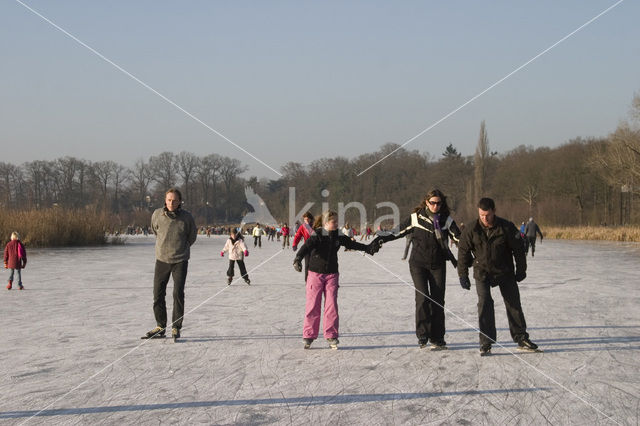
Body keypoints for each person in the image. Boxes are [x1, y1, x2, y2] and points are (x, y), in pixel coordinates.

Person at [375, 189, 461, 350]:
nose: (436, 206)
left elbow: (459, 238)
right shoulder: (416, 218)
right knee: (422, 298)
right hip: (418, 264)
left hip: (438, 264)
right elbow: (397, 232)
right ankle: (422, 335)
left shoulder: (446, 221)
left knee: (438, 301)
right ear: (426, 202)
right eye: (433, 203)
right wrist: (380, 239)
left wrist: (472, 250)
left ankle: (437, 337)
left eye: (439, 203)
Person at [457, 198, 539, 356]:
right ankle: (486, 341)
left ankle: (521, 337)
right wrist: (463, 274)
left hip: (504, 270)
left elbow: (519, 250)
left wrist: (521, 270)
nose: (485, 219)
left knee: (513, 302)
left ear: (494, 211)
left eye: (487, 215)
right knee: (484, 302)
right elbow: (463, 252)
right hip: (481, 271)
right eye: (481, 215)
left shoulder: (506, 227)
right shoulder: (471, 229)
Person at [293, 211, 380, 350]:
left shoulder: (338, 235)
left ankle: (331, 335)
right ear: (326, 223)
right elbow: (306, 247)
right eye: (334, 221)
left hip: (332, 274)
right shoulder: (318, 234)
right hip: (315, 274)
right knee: (313, 305)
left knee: (331, 305)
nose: (337, 224)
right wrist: (297, 259)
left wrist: (368, 248)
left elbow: (352, 245)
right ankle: (309, 335)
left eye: (337, 221)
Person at [142, 188, 197, 341]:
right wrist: (163, 247)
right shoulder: (157, 214)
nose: (171, 203)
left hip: (180, 260)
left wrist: (182, 248)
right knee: (158, 294)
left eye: (174, 200)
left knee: (177, 293)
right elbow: (155, 230)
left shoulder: (187, 217)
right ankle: (160, 326)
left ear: (180, 202)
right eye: (169, 200)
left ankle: (175, 327)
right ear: (165, 201)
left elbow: (192, 236)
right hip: (162, 259)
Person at [292, 212, 315, 281]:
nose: (306, 221)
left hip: (316, 248)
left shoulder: (315, 225)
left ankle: (316, 280)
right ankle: (307, 280)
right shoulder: (303, 227)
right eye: (305, 220)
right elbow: (298, 236)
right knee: (307, 265)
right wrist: (295, 244)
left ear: (311, 219)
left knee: (316, 264)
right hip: (307, 248)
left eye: (308, 219)